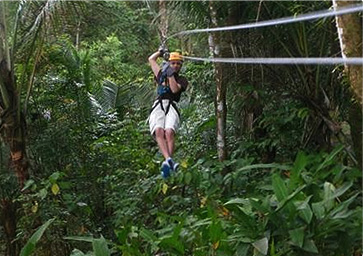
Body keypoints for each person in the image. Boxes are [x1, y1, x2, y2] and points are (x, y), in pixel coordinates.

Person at [148, 49, 189, 178]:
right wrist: (160, 52)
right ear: (169, 63)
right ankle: (168, 160)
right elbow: (151, 59)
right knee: (159, 131)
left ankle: (167, 161)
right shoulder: (160, 75)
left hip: (172, 105)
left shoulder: (182, 80)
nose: (176, 65)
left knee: (169, 132)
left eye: (178, 64)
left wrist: (171, 75)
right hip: (159, 104)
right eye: (173, 63)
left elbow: (174, 90)